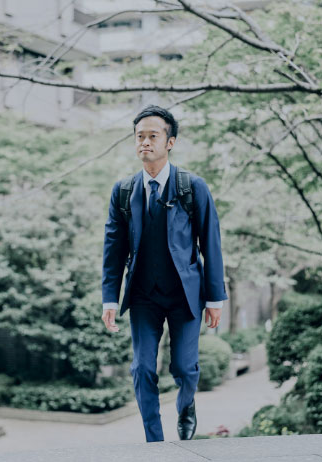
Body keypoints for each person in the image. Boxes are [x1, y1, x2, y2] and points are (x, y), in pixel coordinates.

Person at [101, 105, 228, 443]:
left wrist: (215, 298)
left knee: (184, 368)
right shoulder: (123, 191)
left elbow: (211, 243)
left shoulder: (192, 187)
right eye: (139, 136)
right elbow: (113, 250)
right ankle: (154, 441)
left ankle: (186, 406)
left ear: (170, 142)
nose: (145, 142)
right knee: (142, 368)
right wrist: (109, 299)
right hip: (143, 295)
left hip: (185, 295)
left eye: (152, 136)